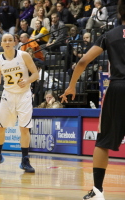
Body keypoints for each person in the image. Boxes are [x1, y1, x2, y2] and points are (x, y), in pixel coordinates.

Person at [60, 1, 125, 199]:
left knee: (103, 142)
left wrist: (71, 86)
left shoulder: (110, 35)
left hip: (118, 88)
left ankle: (97, 191)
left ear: (120, 13)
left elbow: (82, 61)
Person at [0, 33, 39, 172]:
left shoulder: (23, 55)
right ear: (1, 44)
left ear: (14, 42)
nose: (7, 42)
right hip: (8, 96)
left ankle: (25, 160)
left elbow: (35, 74)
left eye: (10, 40)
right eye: (4, 40)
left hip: (24, 95)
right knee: (0, 127)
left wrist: (27, 81)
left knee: (24, 129)